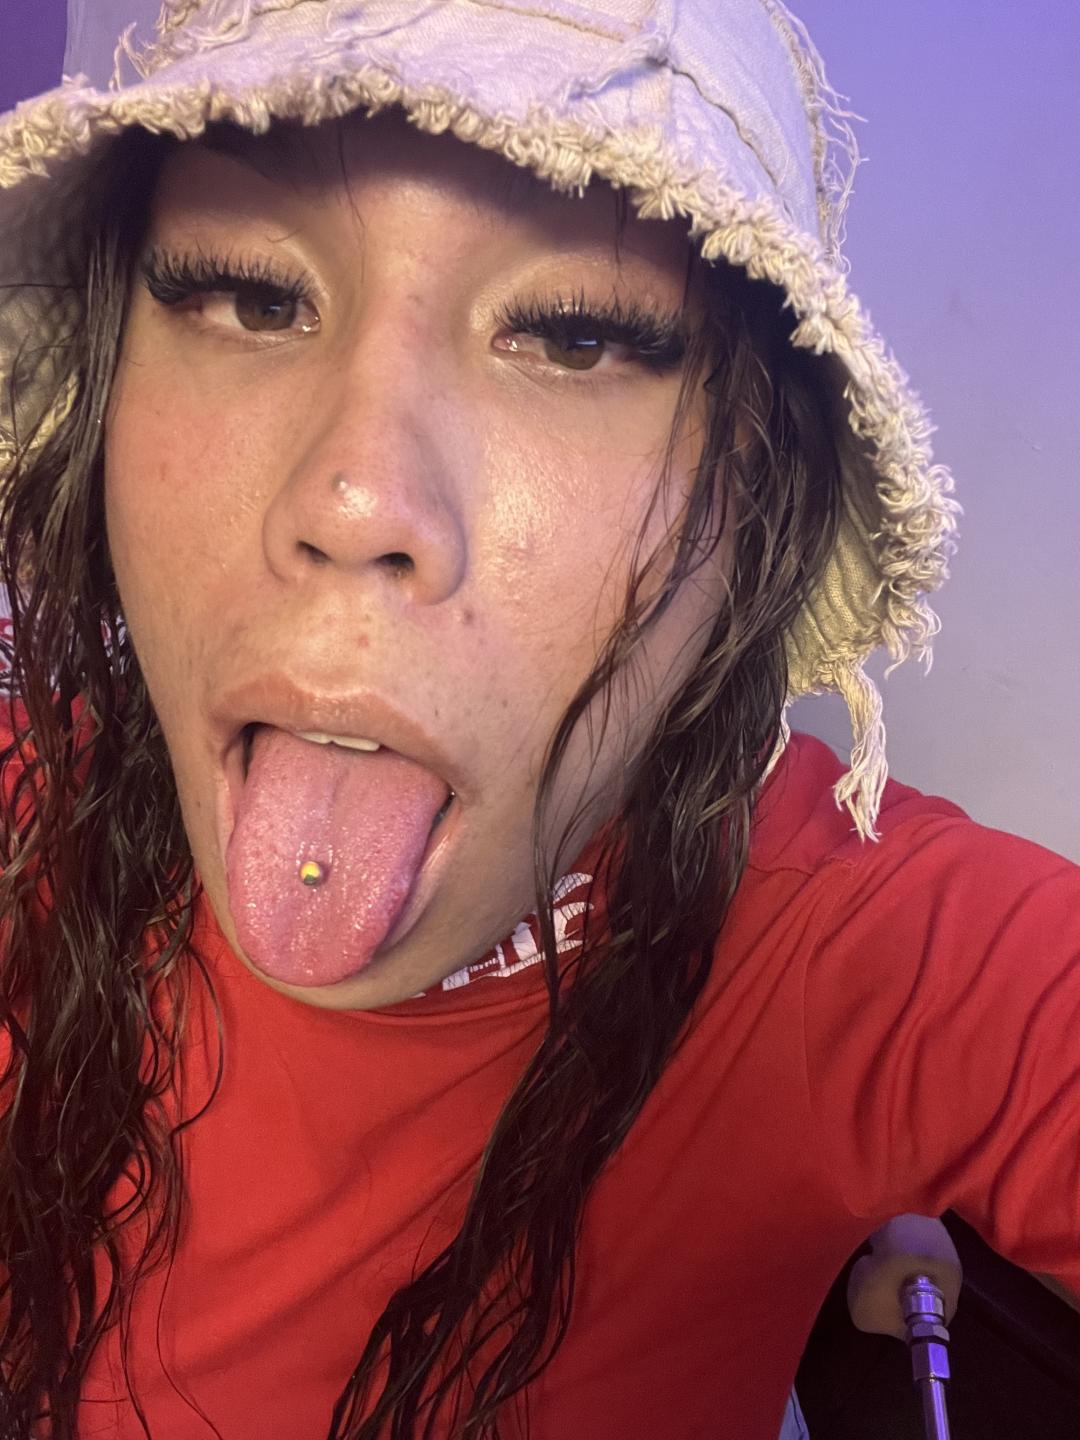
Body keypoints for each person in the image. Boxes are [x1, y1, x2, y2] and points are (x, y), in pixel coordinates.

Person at [0, 2, 1075, 1438]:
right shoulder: (26, 821)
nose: (355, 498)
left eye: (574, 334)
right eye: (251, 297)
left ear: (751, 499)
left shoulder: (870, 949)